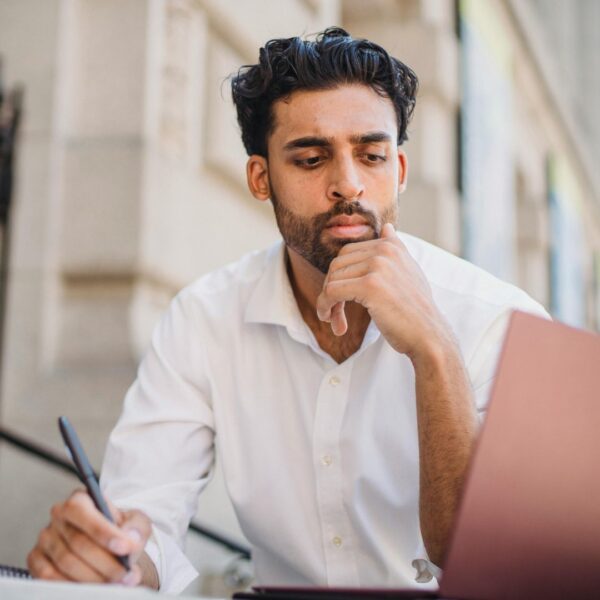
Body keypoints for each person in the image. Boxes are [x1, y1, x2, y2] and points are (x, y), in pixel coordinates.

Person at [27, 27, 548, 593]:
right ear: (260, 177)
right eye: (310, 159)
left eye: (370, 155)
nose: (347, 184)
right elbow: (146, 516)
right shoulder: (204, 318)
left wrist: (435, 351)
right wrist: (114, 557)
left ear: (397, 172)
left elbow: (505, 565)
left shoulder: (502, 321)